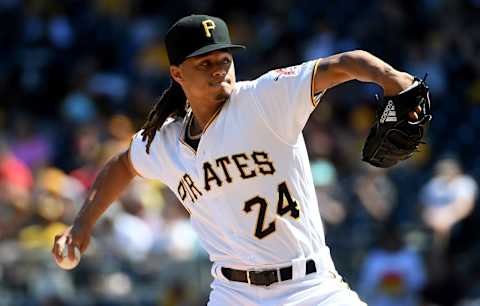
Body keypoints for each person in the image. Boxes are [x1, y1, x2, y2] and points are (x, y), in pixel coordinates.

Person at [52, 14, 416, 305]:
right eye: (205, 62)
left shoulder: (263, 98)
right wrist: (81, 225)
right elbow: (123, 164)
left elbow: (346, 63)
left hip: (309, 288)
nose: (218, 68)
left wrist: (394, 80)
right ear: (177, 74)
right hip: (232, 293)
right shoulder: (164, 141)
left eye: (224, 59)